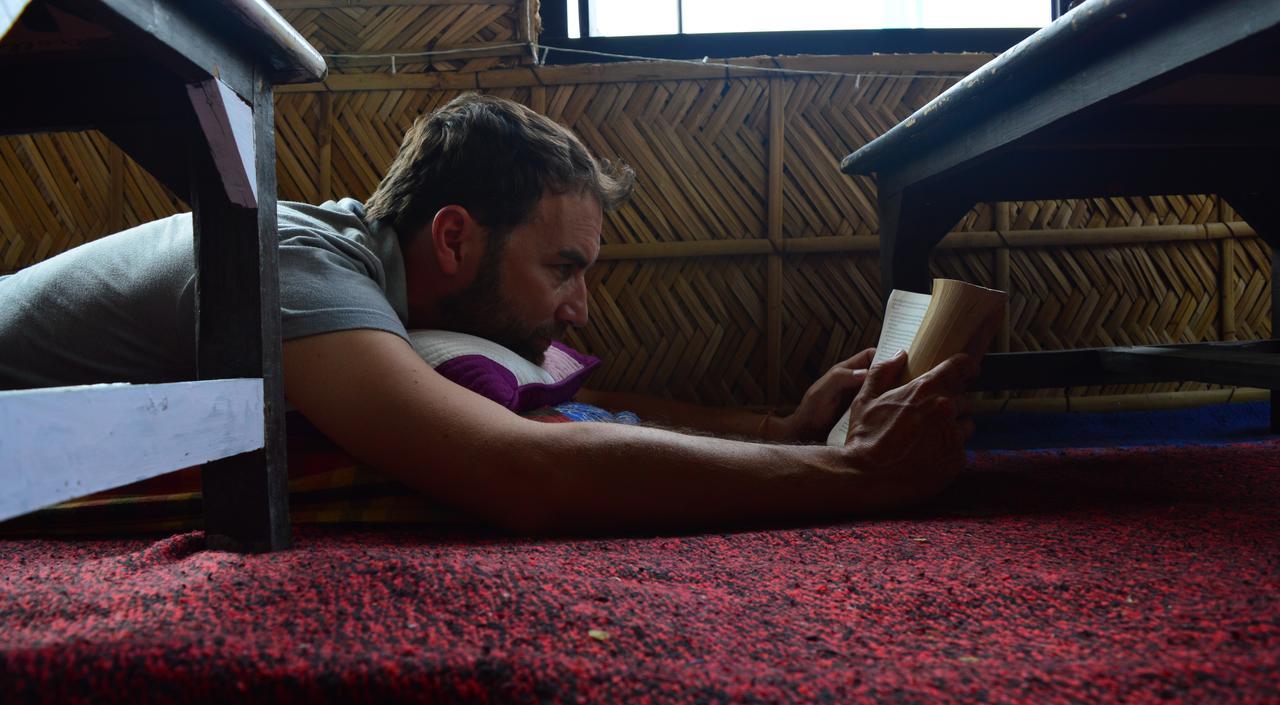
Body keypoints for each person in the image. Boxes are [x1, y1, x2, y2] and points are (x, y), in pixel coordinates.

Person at [0, 93, 984, 533]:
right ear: (456, 239)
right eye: (562, 265)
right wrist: (846, 474)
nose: (579, 302)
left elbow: (547, 410)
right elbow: (515, 467)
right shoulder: (296, 263)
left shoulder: (383, 299)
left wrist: (774, 429)